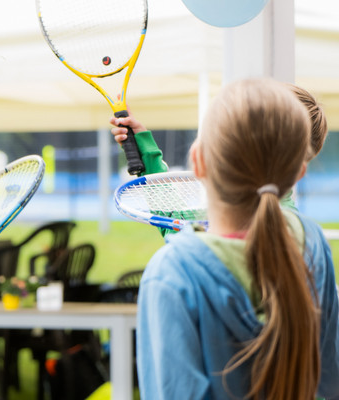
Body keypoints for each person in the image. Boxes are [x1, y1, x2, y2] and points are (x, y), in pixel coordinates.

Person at [134, 79, 339, 399]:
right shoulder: (312, 241)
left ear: (197, 160)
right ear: (299, 170)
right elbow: (327, 377)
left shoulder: (171, 274)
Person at [110, 82, 329, 213]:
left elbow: (173, 222)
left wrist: (147, 150)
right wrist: (143, 145)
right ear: (299, 170)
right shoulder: (310, 240)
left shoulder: (186, 256)